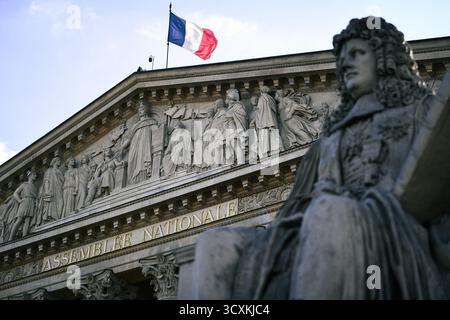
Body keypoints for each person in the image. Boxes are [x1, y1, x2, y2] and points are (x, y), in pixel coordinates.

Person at [192, 17, 450, 299]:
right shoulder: (329, 139)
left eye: (357, 53)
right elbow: (290, 213)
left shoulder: (422, 111)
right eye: (343, 59)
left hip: (392, 234)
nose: (347, 64)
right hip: (320, 227)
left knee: (328, 210)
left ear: (385, 58)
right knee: (214, 244)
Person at [122, 100, 158, 185]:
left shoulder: (151, 121)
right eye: (139, 109)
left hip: (145, 144)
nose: (140, 110)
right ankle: (134, 180)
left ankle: (144, 176)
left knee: (142, 159)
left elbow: (157, 131)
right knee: (133, 161)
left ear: (146, 109)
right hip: (134, 147)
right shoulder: (135, 126)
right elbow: (129, 139)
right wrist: (122, 148)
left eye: (142, 108)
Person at [8, 171, 38, 240]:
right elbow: (15, 193)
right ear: (30, 176)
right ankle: (10, 238)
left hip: (31, 202)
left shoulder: (34, 187)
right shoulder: (24, 184)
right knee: (19, 219)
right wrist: (19, 200)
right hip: (25, 202)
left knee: (28, 220)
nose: (35, 176)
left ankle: (24, 236)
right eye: (34, 174)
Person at [37, 156, 64, 225]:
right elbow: (47, 181)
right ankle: (50, 217)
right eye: (58, 160)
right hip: (51, 189)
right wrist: (47, 191)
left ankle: (58, 217)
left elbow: (63, 181)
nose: (60, 162)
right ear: (54, 161)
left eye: (60, 161)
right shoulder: (49, 170)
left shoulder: (59, 171)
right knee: (51, 203)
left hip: (59, 189)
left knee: (61, 202)